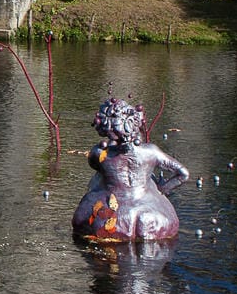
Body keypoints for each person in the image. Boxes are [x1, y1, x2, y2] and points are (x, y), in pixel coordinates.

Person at [73, 98, 190, 243]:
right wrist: (161, 191)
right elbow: (183, 174)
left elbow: (94, 166)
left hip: (110, 218)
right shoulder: (151, 151)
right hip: (155, 216)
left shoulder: (100, 154)